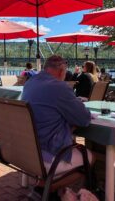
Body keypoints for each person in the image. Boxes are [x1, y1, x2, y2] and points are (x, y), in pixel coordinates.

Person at [22, 55, 93, 189]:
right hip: (46, 155)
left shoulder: (30, 83)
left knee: (71, 142)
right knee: (90, 158)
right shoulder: (60, 87)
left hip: (26, 151)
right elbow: (84, 119)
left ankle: (56, 190)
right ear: (61, 71)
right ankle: (45, 187)